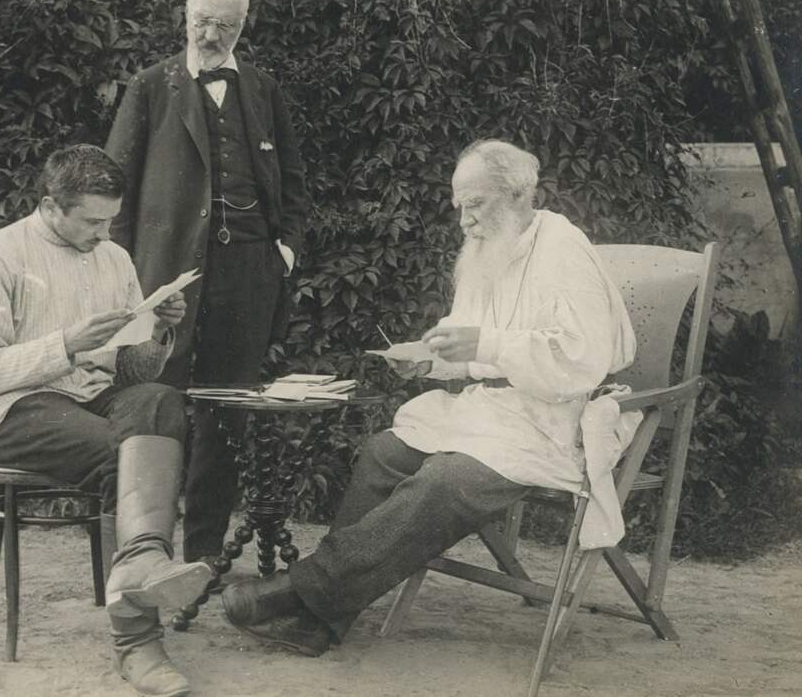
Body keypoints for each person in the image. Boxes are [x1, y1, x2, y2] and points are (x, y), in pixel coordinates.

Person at [219, 139, 637, 656]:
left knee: (445, 480)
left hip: (552, 420)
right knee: (384, 452)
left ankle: (304, 592)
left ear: (518, 194)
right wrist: (431, 360)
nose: (464, 220)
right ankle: (322, 618)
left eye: (475, 204)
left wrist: (484, 345)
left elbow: (581, 360)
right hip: (493, 413)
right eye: (459, 206)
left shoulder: (563, 250)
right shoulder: (491, 247)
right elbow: (471, 345)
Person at [0, 145, 212, 697]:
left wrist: (159, 331)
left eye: (110, 220)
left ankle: (140, 563)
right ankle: (137, 644)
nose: (104, 233)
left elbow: (131, 372)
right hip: (12, 411)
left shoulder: (113, 259)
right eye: (92, 221)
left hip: (89, 401)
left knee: (159, 400)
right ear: (51, 206)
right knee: (127, 453)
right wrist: (66, 345)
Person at [105, 0, 309, 567]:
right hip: (165, 278)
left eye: (225, 25)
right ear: (184, 16)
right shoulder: (151, 86)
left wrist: (283, 250)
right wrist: (124, 279)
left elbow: (293, 182)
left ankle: (200, 557)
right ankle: (144, 554)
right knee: (155, 408)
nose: (211, 36)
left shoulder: (263, 90)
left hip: (248, 277)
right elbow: (114, 190)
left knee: (227, 416)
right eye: (201, 22)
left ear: (244, 24)